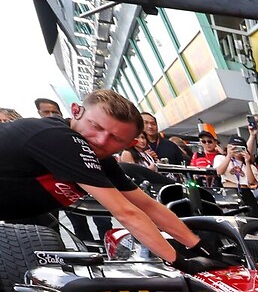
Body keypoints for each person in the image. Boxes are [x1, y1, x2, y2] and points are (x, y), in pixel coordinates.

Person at [0, 89, 204, 265]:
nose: (101, 140)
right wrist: (180, 262)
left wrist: (198, 246)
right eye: (96, 126)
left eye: (115, 138)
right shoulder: (56, 136)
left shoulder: (98, 155)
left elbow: (148, 206)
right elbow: (126, 213)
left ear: (129, 144)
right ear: (76, 111)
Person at [214, 135, 258, 217]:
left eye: (240, 148)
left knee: (253, 217)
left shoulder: (251, 166)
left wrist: (247, 162)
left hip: (246, 192)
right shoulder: (221, 158)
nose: (237, 151)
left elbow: (251, 182)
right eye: (234, 147)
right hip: (229, 191)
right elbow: (219, 172)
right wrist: (229, 156)